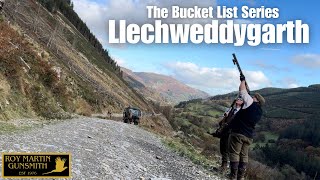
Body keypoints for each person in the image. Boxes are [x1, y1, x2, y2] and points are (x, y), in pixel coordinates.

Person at [228, 75, 265, 180]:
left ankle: (233, 176)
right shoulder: (260, 111)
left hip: (239, 132)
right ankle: (241, 177)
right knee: (244, 156)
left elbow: (242, 91)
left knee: (235, 153)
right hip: (249, 136)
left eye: (254, 97)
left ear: (256, 99)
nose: (252, 97)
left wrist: (243, 80)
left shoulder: (250, 102)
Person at [219, 96, 244, 174]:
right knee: (222, 148)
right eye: (238, 99)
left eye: (240, 99)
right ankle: (223, 166)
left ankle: (226, 168)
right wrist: (225, 117)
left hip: (233, 132)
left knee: (228, 150)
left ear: (243, 102)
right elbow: (222, 121)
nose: (238, 100)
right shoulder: (231, 109)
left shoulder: (242, 112)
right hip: (225, 131)